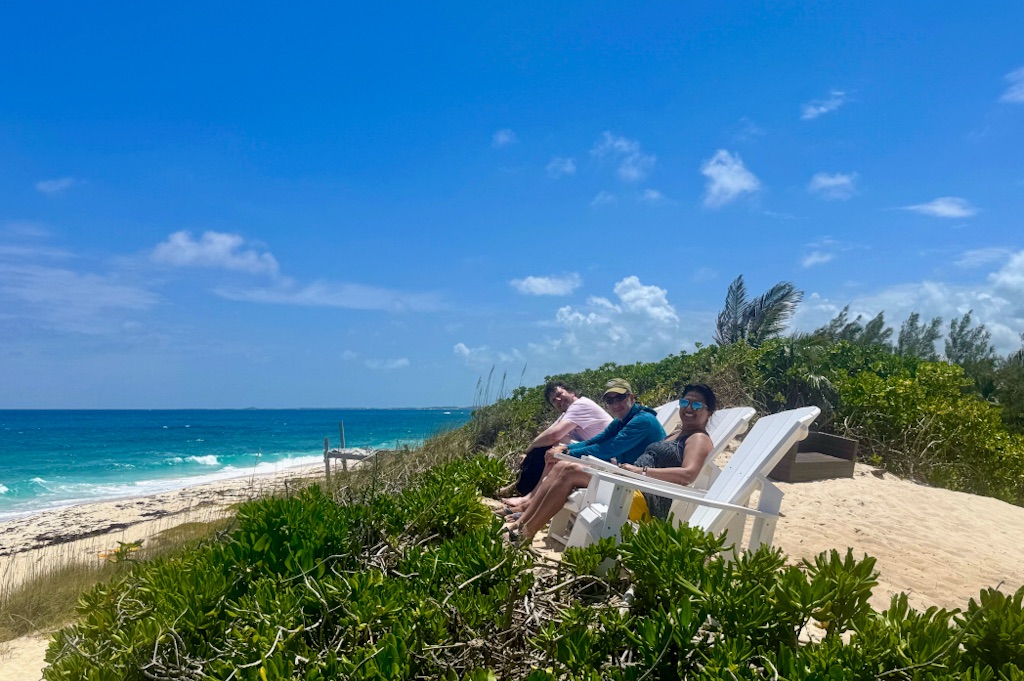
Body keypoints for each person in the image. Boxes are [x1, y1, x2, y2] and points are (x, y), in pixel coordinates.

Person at [503, 378, 665, 542]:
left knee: (570, 471)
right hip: (627, 478)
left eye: (620, 397)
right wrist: (564, 450)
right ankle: (520, 522)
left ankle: (527, 533)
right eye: (610, 400)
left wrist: (567, 451)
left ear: (631, 397)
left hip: (643, 488)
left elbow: (608, 449)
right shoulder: (621, 421)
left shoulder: (642, 421)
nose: (615, 404)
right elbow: (595, 441)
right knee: (561, 466)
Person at [618, 383, 717, 520]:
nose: (689, 408)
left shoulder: (698, 438)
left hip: (645, 498)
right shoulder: (677, 434)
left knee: (588, 479)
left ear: (709, 413)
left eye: (697, 405)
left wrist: (641, 471)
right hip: (633, 486)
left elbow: (688, 475)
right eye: (685, 402)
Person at [499, 381, 612, 499]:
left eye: (559, 394)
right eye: (553, 400)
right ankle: (521, 488)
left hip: (606, 460)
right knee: (545, 445)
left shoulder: (581, 405)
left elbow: (554, 435)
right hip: (593, 456)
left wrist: (530, 447)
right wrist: (528, 453)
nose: (558, 399)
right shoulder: (567, 414)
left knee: (558, 443)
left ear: (571, 392)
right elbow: (547, 433)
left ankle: (530, 494)